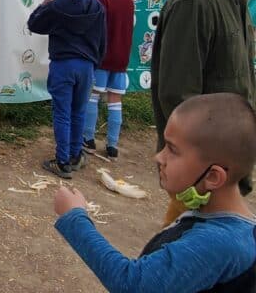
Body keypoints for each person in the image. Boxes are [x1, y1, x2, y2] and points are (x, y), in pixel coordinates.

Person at [53, 93, 256, 292]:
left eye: (172, 149)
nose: (159, 157)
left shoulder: (216, 243)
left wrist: (75, 218)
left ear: (212, 177)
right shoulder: (214, 218)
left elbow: (132, 283)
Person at [152, 0, 256, 223]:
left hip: (224, 166)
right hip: (205, 173)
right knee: (186, 258)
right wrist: (198, 174)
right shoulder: (194, 2)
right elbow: (179, 95)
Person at [27, 0, 106, 179]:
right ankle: (75, 155)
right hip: (86, 66)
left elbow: (34, 24)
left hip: (64, 65)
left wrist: (44, 4)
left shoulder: (56, 6)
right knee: (78, 111)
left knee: (62, 113)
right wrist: (93, 64)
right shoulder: (96, 6)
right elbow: (102, 40)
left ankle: (62, 162)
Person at [82, 0, 137, 160]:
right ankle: (112, 145)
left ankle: (88, 138)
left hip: (102, 58)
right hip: (121, 60)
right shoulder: (130, 3)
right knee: (115, 101)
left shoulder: (103, 0)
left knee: (93, 96)